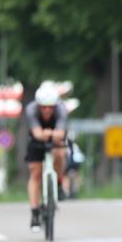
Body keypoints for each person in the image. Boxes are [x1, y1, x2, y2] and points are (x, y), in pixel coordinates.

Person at [25, 82, 69, 232]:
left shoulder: (62, 109)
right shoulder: (31, 110)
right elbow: (37, 134)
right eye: (44, 107)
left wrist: (49, 134)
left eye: (51, 106)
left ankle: (58, 182)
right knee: (35, 172)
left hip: (55, 140)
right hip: (36, 141)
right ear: (38, 105)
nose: (47, 110)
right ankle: (34, 212)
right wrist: (51, 134)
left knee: (60, 154)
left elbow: (61, 135)